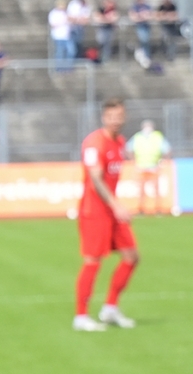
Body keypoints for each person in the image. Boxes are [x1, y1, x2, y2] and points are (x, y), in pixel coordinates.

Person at [74, 99, 138, 329]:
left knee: (131, 256)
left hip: (111, 210)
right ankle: (81, 317)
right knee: (93, 261)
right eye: (111, 116)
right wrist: (116, 205)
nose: (116, 120)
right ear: (104, 117)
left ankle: (110, 308)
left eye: (119, 116)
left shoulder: (120, 142)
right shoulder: (94, 143)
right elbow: (95, 178)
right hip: (94, 210)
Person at [129, 117, 170, 212]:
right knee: (141, 190)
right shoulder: (137, 137)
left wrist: (162, 161)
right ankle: (141, 208)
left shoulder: (157, 137)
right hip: (141, 167)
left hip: (154, 167)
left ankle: (158, 208)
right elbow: (128, 149)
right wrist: (134, 161)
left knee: (156, 189)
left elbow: (167, 149)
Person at [49, 3, 75, 71]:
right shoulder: (53, 13)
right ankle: (59, 68)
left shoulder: (66, 13)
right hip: (59, 36)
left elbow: (72, 21)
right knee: (60, 52)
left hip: (68, 36)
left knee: (71, 51)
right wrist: (63, 21)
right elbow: (53, 25)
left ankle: (68, 67)